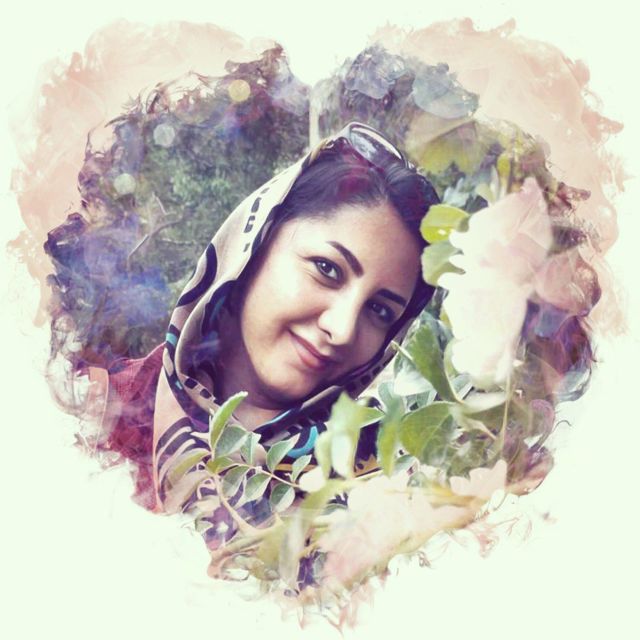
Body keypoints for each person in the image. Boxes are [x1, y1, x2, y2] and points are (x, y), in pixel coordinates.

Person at [85, 121, 440, 546]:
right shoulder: (87, 417)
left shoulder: (384, 497)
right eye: (327, 269)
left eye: (380, 311)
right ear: (253, 245)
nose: (342, 328)